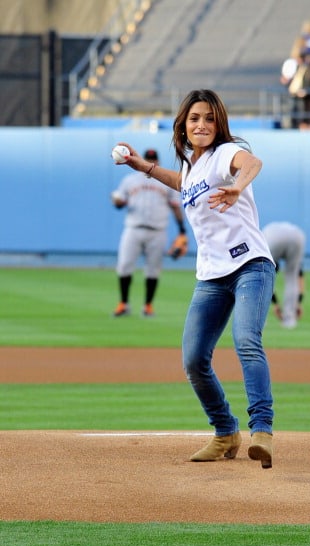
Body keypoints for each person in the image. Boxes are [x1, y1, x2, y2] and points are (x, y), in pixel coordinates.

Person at [113, 89, 276, 469]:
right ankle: (224, 432)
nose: (201, 124)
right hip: (212, 276)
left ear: (218, 123)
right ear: (183, 127)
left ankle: (262, 431)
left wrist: (237, 186)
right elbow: (184, 183)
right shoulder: (191, 167)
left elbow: (252, 163)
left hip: (251, 264)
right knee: (193, 359)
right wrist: (143, 167)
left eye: (208, 118)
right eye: (194, 119)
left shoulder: (224, 154)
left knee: (246, 340)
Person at [111, 148, 187, 317]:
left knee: (153, 269)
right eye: (148, 159)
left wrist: (182, 229)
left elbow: (175, 206)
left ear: (158, 161)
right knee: (124, 266)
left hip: (157, 231)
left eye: (154, 159)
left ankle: (148, 305)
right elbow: (119, 202)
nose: (152, 162)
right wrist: (117, 201)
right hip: (133, 228)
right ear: (143, 160)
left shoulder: (165, 180)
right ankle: (123, 303)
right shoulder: (130, 180)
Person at [262, 222, 306, 329]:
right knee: (292, 278)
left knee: (264, 278)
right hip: (298, 236)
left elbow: (267, 278)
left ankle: (260, 320)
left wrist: (275, 304)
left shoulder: (264, 235)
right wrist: (298, 302)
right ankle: (289, 320)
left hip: (273, 238)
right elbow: (299, 276)